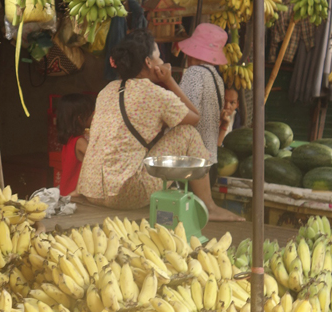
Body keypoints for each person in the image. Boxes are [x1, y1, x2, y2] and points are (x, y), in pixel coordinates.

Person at [77, 29, 241, 220]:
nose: (164, 62)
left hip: (90, 190)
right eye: (159, 57)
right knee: (187, 133)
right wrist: (169, 80)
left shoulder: (107, 90)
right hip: (123, 195)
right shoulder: (154, 93)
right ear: (148, 62)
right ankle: (209, 207)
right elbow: (195, 118)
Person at [175, 23, 231, 163]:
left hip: (192, 162)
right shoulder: (216, 78)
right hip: (209, 159)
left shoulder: (194, 73)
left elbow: (185, 114)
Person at [56, 93, 95, 196]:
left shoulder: (69, 140)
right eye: (91, 114)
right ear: (80, 118)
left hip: (65, 192)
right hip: (74, 196)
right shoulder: (80, 142)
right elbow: (97, 162)